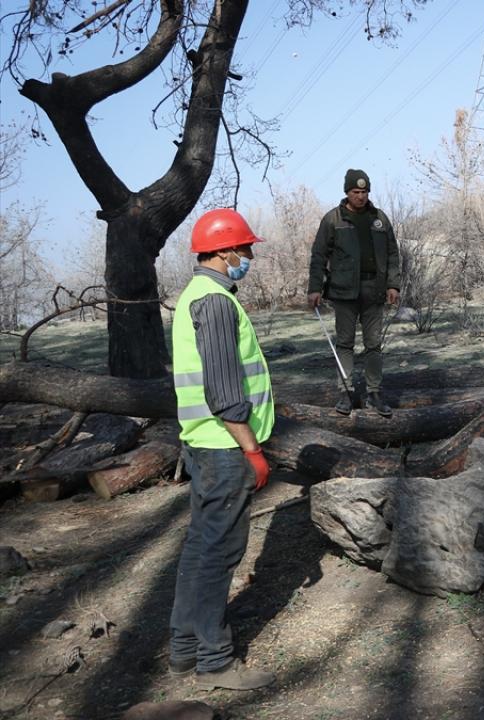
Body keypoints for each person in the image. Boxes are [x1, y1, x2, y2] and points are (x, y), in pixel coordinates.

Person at [169, 208, 276, 691]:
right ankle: (215, 661)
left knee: (199, 547)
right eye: (246, 249)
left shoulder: (196, 295)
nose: (249, 257)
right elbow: (224, 390)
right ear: (225, 250)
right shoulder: (213, 302)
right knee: (220, 551)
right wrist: (252, 450)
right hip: (223, 446)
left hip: (203, 442)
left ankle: (184, 648)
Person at [307, 168, 401, 417]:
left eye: (364, 191)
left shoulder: (379, 218)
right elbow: (319, 255)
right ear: (347, 192)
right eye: (355, 192)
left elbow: (392, 253)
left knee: (374, 344)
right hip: (343, 291)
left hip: (374, 290)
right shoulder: (333, 219)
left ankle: (374, 393)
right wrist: (315, 287)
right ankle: (346, 393)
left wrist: (393, 284)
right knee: (345, 343)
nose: (360, 196)